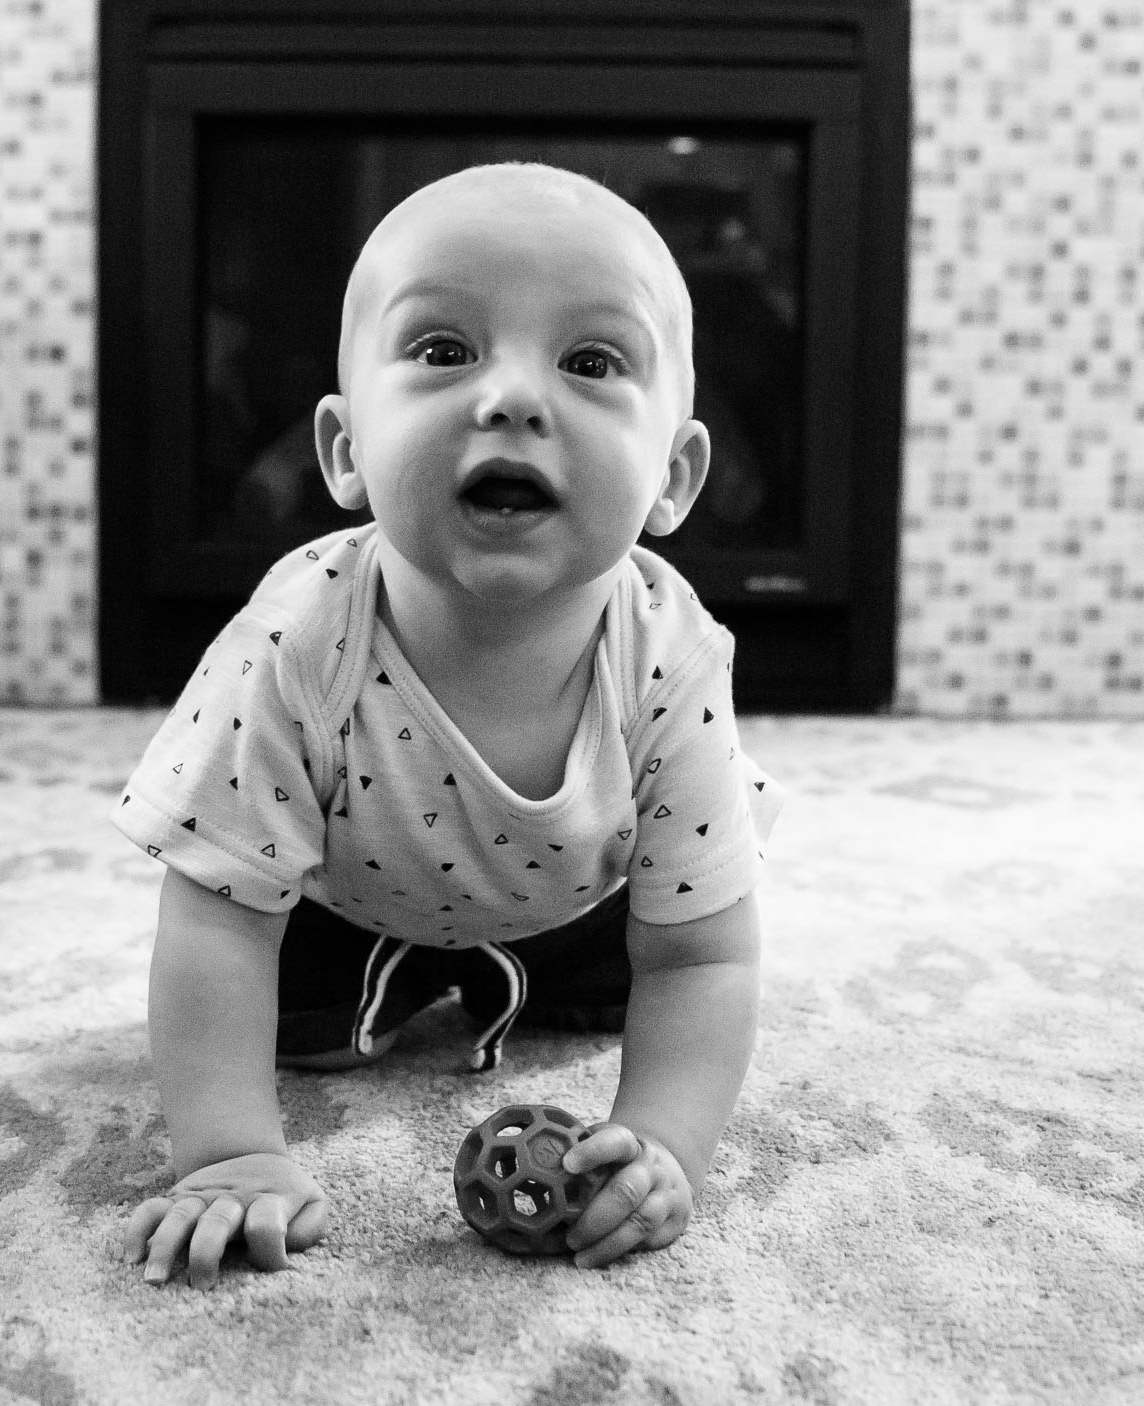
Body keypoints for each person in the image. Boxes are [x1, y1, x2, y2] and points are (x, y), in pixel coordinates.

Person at [115, 162, 783, 1288]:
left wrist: (666, 1144)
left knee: (611, 1004)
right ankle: (393, 978)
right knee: (282, 1016)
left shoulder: (672, 654)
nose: (512, 397)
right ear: (343, 450)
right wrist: (229, 1152)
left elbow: (703, 951)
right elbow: (217, 918)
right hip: (335, 898)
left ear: (673, 478)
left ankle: (519, 974)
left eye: (589, 360)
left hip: (580, 901)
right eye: (442, 351)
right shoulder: (294, 640)